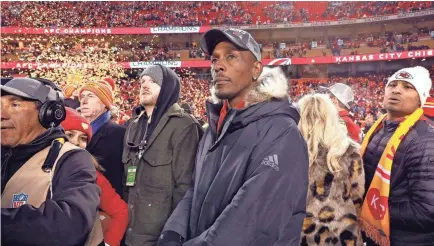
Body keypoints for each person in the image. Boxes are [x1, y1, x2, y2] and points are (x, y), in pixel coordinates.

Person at [159, 28, 309, 246]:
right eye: (214, 59)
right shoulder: (214, 128)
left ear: (256, 69)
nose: (218, 66)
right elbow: (197, 188)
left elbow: (249, 225)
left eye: (231, 57)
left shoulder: (281, 133)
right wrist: (173, 232)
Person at [1, 78, 100, 245]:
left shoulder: (72, 158)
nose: (2, 114)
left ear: (47, 114)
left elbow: (71, 224)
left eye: (14, 105)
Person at [122, 65, 203, 246]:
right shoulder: (133, 126)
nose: (144, 84)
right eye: (142, 81)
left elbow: (185, 186)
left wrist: (174, 233)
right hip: (129, 233)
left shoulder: (183, 126)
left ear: (167, 87)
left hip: (160, 236)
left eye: (153, 81)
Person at [360, 66, 434, 246]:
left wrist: (368, 209)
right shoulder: (378, 129)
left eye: (407, 87)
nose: (396, 89)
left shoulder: (425, 141)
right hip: (376, 234)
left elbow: (427, 209)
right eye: (392, 84)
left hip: (407, 239)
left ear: (420, 100)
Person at [297, 93, 365, 245]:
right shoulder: (349, 149)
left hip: (301, 232)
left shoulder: (287, 150)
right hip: (343, 231)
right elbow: (357, 196)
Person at [61, 107, 129, 246]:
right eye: (69, 135)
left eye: (83, 138)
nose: (75, 142)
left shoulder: (92, 174)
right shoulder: (31, 166)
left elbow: (121, 211)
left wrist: (109, 244)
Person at [79, 77, 126, 196]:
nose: (83, 101)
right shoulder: (75, 133)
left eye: (90, 96)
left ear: (105, 104)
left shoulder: (120, 134)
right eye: (82, 96)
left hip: (109, 206)